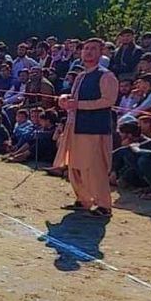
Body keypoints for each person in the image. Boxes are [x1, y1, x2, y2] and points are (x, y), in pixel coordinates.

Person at [55, 37, 120, 217]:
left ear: (101, 53)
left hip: (95, 128)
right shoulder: (81, 75)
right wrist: (64, 98)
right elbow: (74, 98)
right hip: (75, 126)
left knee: (94, 167)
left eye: (93, 49)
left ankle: (104, 205)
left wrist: (78, 105)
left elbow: (108, 101)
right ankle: (83, 199)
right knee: (75, 165)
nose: (88, 52)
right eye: (86, 49)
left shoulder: (106, 76)